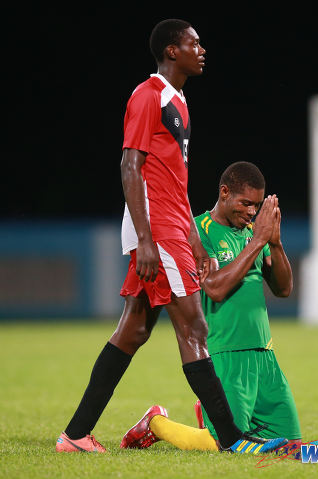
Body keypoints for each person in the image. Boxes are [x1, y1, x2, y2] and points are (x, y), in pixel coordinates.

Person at [55, 20, 287, 454]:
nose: (202, 49)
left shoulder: (178, 100)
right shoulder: (149, 95)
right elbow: (130, 166)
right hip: (157, 229)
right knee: (195, 328)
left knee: (134, 330)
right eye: (193, 43)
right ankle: (234, 441)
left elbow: (174, 183)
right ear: (170, 50)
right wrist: (145, 239)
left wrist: (197, 246)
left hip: (169, 227)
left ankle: (74, 435)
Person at [119, 162, 302, 453]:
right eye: (245, 203)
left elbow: (283, 289)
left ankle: (207, 414)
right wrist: (257, 242)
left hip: (264, 355)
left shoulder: (254, 232)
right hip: (225, 354)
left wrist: (275, 244)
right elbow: (214, 288)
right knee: (225, 445)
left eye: (256, 205)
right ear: (224, 193)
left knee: (291, 445)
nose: (252, 212)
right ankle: (154, 423)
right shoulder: (198, 231)